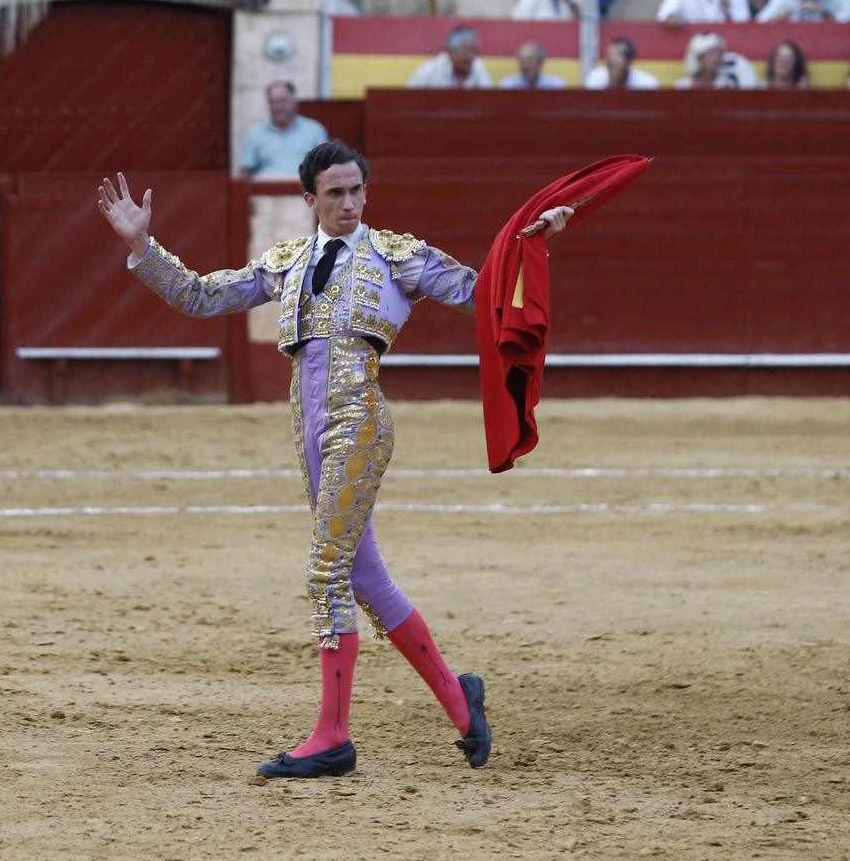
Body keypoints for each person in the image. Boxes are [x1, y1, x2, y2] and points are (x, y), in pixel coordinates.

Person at [97, 150, 574, 779]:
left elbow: (481, 292)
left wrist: (530, 242)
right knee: (364, 578)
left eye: (356, 191)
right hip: (311, 432)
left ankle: (333, 737)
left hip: (360, 421)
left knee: (325, 572)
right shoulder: (287, 261)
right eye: (334, 194)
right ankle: (462, 702)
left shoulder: (398, 255)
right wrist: (143, 245)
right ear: (310, 200)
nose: (348, 204)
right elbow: (198, 296)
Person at [241, 81, 330, 179]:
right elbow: (245, 174)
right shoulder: (255, 134)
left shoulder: (315, 131)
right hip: (265, 191)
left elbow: (325, 169)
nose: (278, 107)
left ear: (294, 102)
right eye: (272, 102)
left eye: (282, 101)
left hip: (303, 191)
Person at [407, 26, 494, 89]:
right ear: (450, 51)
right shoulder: (429, 71)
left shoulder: (478, 68)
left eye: (473, 51)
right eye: (465, 51)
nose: (470, 56)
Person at [583, 36, 662, 89]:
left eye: (617, 55)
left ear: (630, 60)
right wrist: (612, 82)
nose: (611, 60)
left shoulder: (647, 82)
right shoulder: (595, 78)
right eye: (608, 55)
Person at [674, 33, 739, 88]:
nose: (716, 57)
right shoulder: (684, 86)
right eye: (710, 52)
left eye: (719, 52)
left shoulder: (727, 85)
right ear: (699, 57)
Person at [499, 42, 567, 89]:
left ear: (540, 62)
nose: (525, 66)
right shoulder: (508, 84)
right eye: (522, 61)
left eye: (529, 61)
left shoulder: (555, 84)